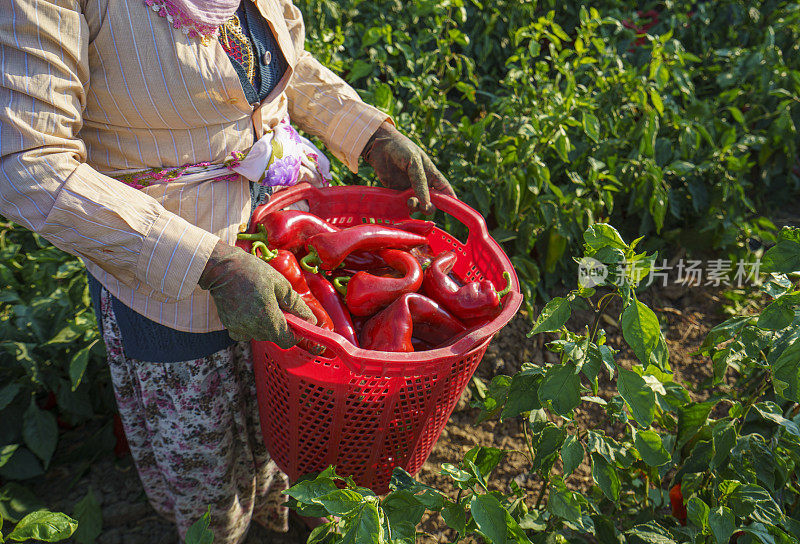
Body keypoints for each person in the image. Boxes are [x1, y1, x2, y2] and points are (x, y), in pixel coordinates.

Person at [0, 0, 455, 541]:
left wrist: (367, 133)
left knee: (296, 427)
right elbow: (29, 166)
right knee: (210, 477)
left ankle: (276, 521)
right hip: (170, 285)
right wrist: (209, 263)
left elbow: (273, 68)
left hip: (285, 240)